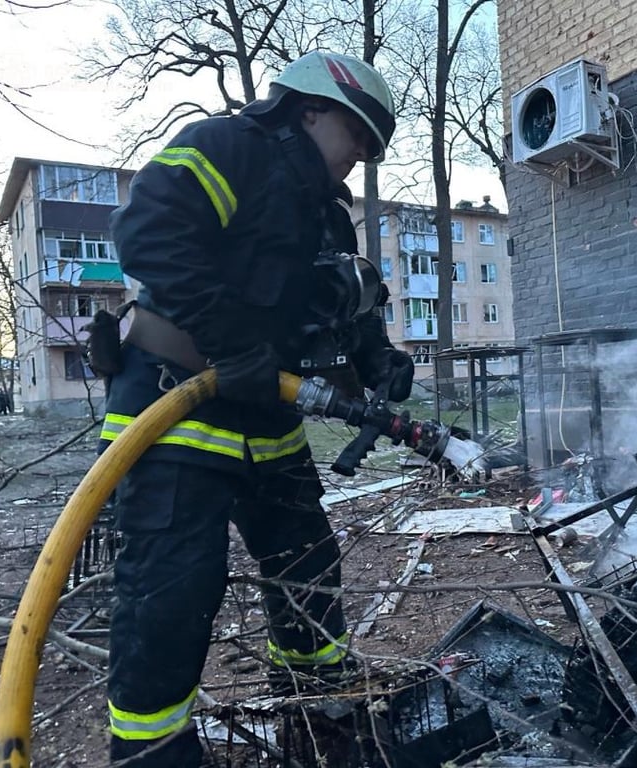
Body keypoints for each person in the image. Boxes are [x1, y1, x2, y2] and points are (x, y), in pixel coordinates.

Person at [97, 51, 414, 767]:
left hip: (267, 429)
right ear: (309, 109)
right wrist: (230, 341)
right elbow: (149, 229)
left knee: (310, 571)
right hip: (172, 412)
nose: (361, 155)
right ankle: (153, 757)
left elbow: (341, 311)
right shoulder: (225, 147)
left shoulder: (328, 219)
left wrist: (378, 361)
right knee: (169, 601)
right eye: (358, 134)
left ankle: (319, 719)